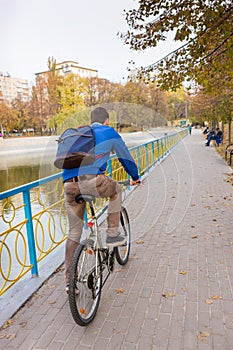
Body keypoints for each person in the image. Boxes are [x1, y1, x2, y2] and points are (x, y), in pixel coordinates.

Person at [63, 107, 140, 291]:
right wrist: (135, 176)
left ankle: (69, 282)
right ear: (106, 121)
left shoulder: (80, 134)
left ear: (91, 121)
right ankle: (112, 235)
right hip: (93, 182)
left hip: (69, 185)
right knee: (117, 190)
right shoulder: (108, 131)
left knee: (74, 232)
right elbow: (125, 157)